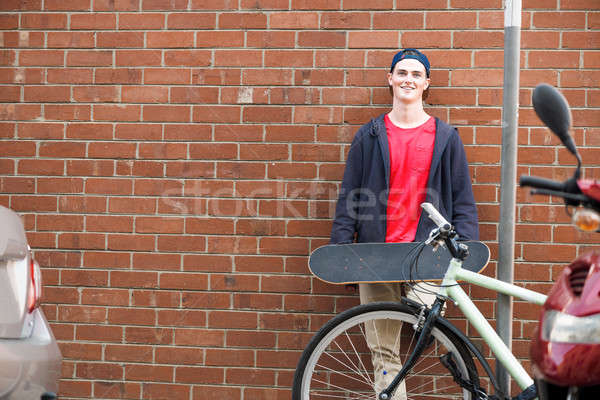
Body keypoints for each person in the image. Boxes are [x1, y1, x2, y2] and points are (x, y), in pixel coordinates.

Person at [330, 48, 479, 399]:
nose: (408, 79)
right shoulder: (370, 135)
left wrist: (467, 248)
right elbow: (350, 193)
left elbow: (462, 198)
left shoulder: (445, 137)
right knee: (382, 350)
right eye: (401, 73)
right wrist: (341, 252)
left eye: (416, 74)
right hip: (376, 256)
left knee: (431, 333)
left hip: (428, 256)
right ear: (391, 79)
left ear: (426, 83)